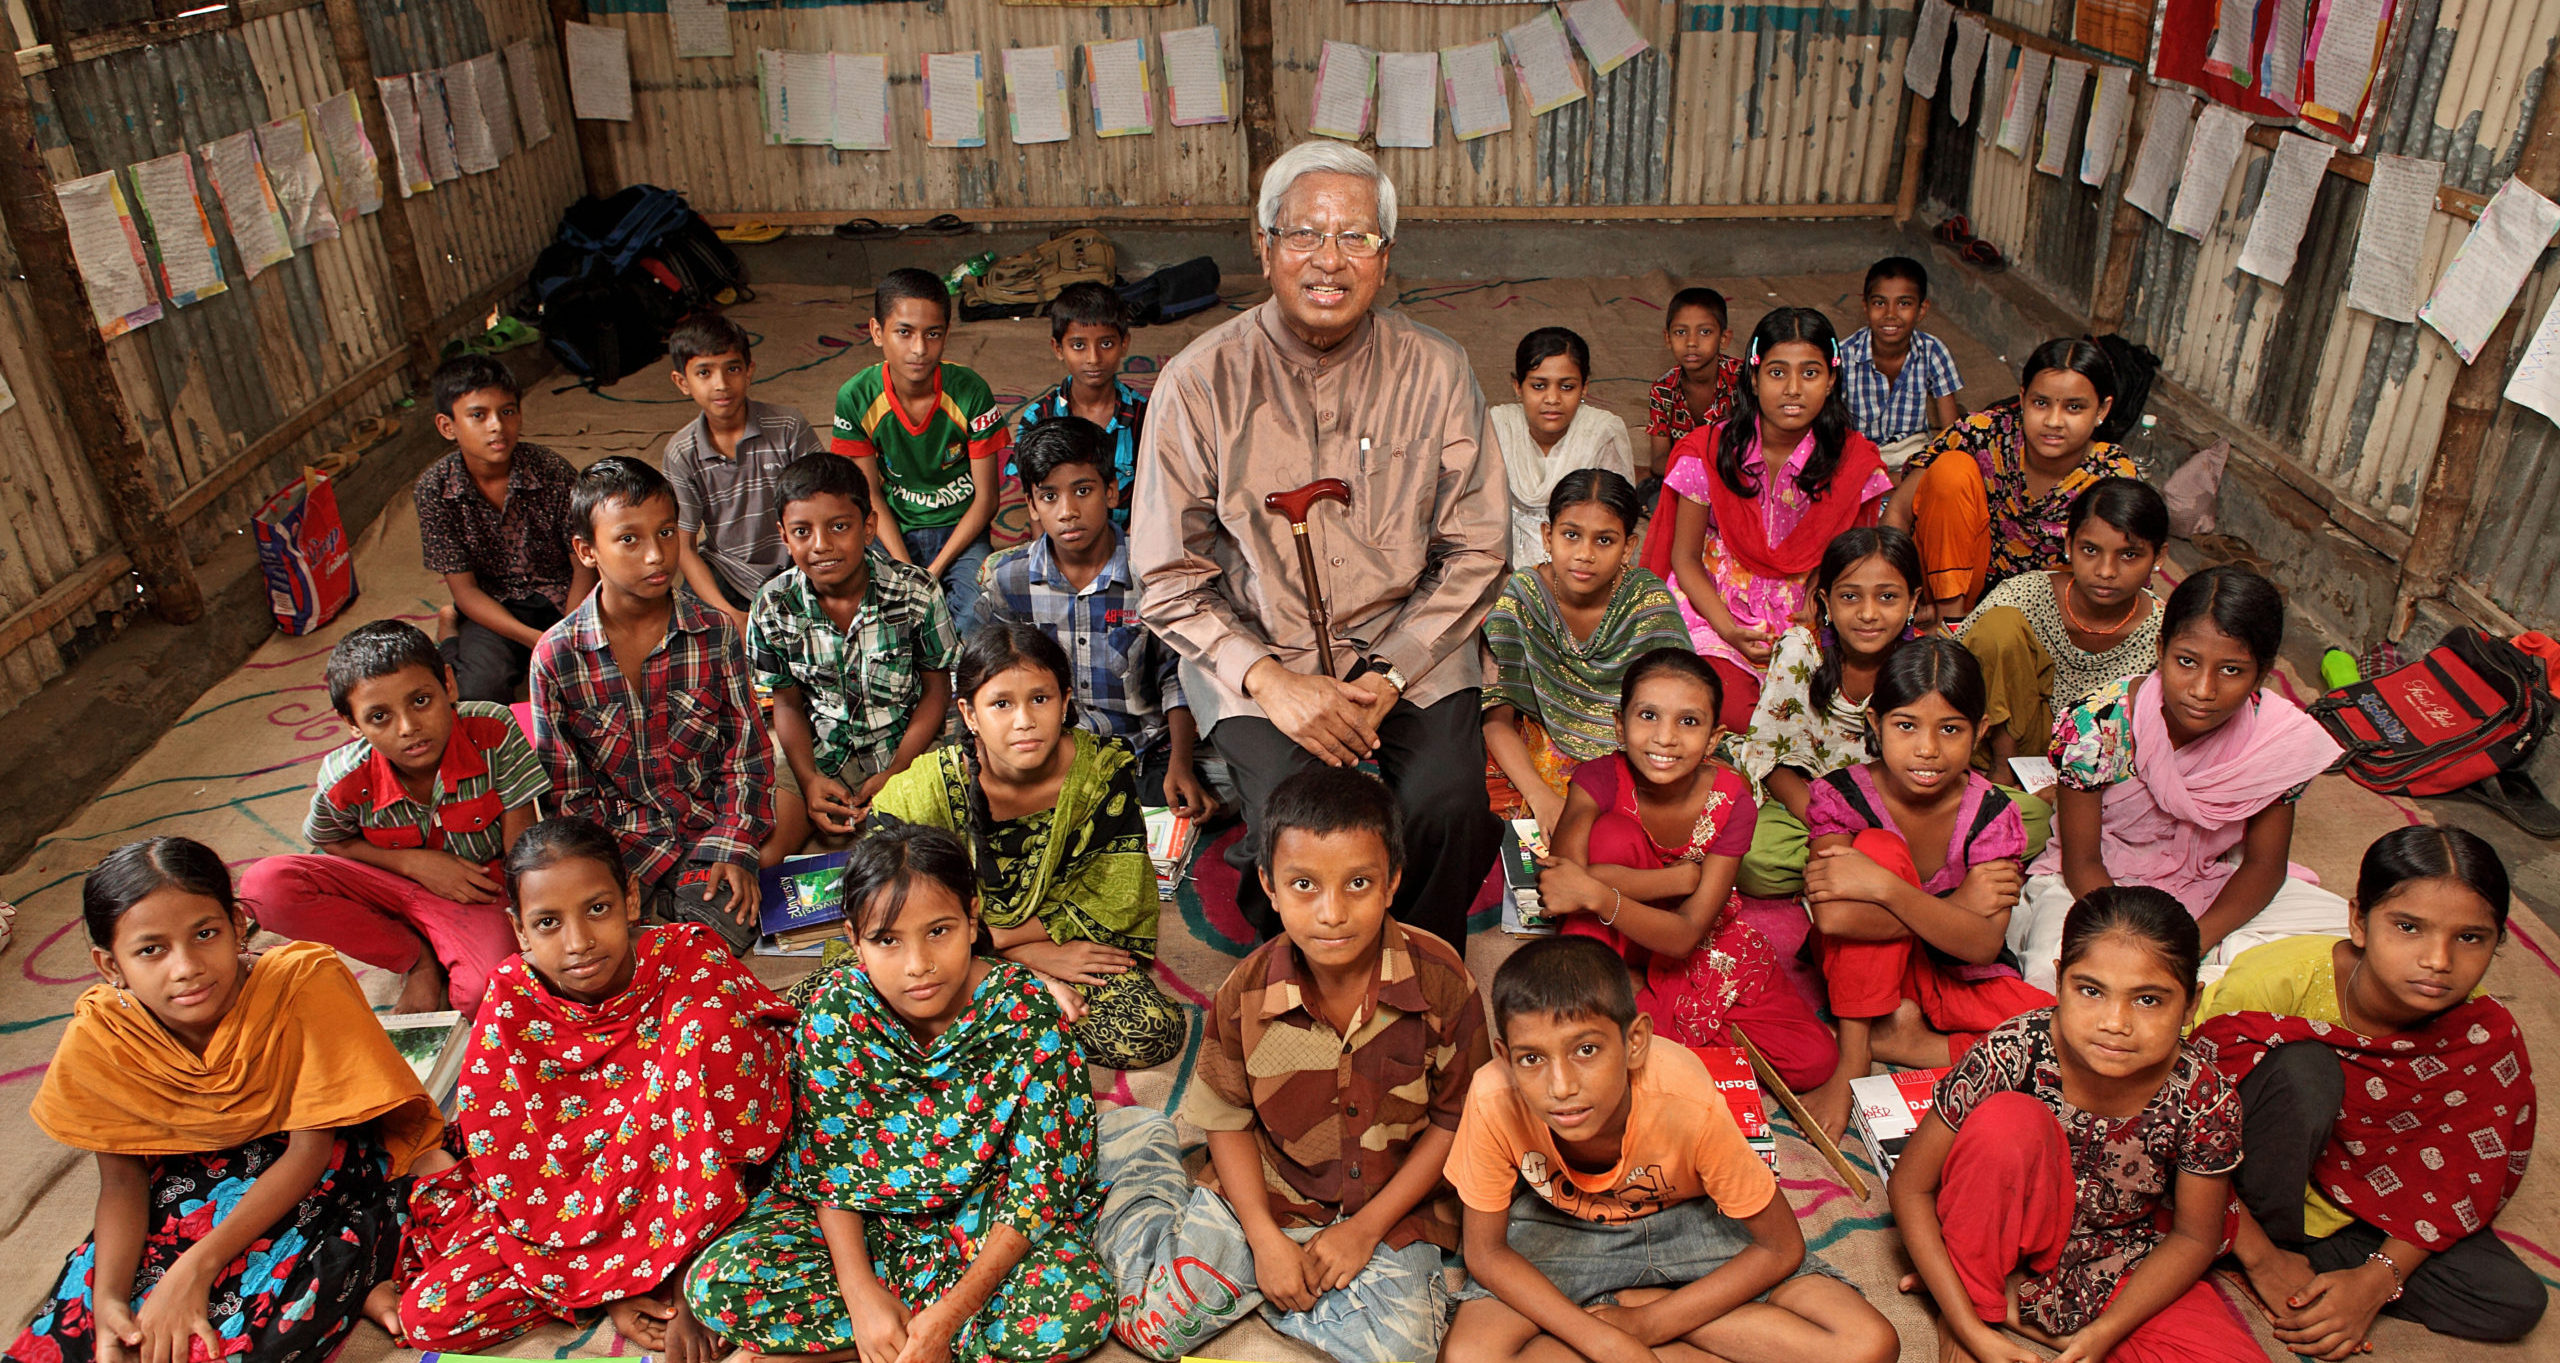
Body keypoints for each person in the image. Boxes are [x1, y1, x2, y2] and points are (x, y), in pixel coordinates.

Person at [1133, 140, 1506, 946]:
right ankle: (1305, 974)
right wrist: (1271, 681)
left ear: (1386, 257)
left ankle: (1418, 966)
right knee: (1297, 829)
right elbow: (1165, 576)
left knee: (1449, 806)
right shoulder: (1199, 383)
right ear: (1263, 248)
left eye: (1356, 238)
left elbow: (1478, 547)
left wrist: (1395, 669)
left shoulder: (1438, 371)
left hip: (1410, 641)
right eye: (1304, 234)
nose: (1328, 261)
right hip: (1261, 647)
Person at [1095, 767, 1487, 1363]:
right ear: (1270, 887)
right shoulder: (1247, 992)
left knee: (1402, 1352)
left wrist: (1364, 1230)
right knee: (1154, 1328)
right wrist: (1263, 1241)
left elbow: (1456, 1121)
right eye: (1304, 885)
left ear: (1392, 883)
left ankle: (1273, 1289)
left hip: (1392, 1205)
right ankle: (1141, 1153)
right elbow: (1227, 1120)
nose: (1332, 913)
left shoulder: (1444, 980)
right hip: (1269, 1190)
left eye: (1358, 883)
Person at [681, 823, 1114, 1362]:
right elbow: (827, 1168)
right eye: (887, 940)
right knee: (718, 1284)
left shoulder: (1027, 1015)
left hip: (980, 1225)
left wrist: (951, 1313)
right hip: (867, 1230)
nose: (918, 966)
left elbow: (1038, 1190)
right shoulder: (839, 1010)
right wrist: (862, 1298)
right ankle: (895, 1342)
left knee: (1076, 1312)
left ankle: (828, 1353)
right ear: (854, 938)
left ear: (973, 918)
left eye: (939, 931)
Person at [11, 838, 442, 1363]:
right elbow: (123, 1182)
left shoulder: (302, 984)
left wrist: (194, 1269)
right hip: (184, 1180)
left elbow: (310, 1153)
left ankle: (362, 1272)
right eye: (151, 950)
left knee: (238, 1339)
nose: (186, 966)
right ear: (109, 965)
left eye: (205, 934)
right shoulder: (105, 1033)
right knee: (79, 1340)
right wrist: (108, 1301)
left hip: (315, 1168)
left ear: (239, 925)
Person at [381, 817, 796, 1362]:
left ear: (629, 899)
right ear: (520, 929)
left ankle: (682, 1276)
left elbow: (738, 1148)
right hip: (570, 1225)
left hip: (703, 1206)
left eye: (596, 908)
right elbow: (515, 1169)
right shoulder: (509, 1001)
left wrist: (689, 1283)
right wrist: (614, 1288)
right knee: (429, 1316)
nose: (578, 943)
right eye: (548, 922)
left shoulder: (695, 975)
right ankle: (627, 1284)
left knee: (772, 1269)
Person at [1441, 936, 1898, 1363]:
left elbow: (1780, 1248)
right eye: (1532, 1059)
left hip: (1689, 1223)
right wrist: (1604, 1340)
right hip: (1563, 1229)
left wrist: (1649, 1323)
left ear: (1634, 1042)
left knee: (1866, 1345)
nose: (1561, 1086)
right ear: (1504, 1058)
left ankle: (1642, 1299)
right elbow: (1487, 1254)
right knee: (1466, 1357)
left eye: (1585, 1050)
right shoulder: (1492, 1096)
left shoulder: (1684, 1097)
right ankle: (1621, 1314)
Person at [2197, 826, 2544, 1353]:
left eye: (2470, 937)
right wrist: (2263, 1260)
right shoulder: (2275, 981)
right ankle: (2254, 1249)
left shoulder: (2482, 1031)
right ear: (2359, 921)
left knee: (2511, 1300)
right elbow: (2178, 1123)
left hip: (2367, 1205)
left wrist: (2376, 1281)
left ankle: (2322, 1272)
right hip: (2249, 1183)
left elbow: (2460, 1169)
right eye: (2408, 927)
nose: (2438, 960)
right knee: (2306, 1073)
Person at [1889, 887, 2259, 1363]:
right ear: (2059, 980)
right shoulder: (2013, 1051)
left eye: (2148, 1000)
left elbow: (2193, 1238)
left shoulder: (2205, 1096)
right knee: (2007, 1123)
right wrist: (1965, 1325)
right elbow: (1910, 1187)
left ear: (2190, 1005)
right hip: (1991, 1227)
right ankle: (1971, 1304)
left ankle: (2010, 1304)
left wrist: (2105, 1332)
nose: (2114, 1022)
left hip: (2121, 1248)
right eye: (2090, 991)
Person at [2010, 565, 2347, 992]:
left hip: (2213, 879)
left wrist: (2195, 940)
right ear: (2160, 648)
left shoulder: (2278, 740)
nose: (2202, 689)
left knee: (2339, 953)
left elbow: (2263, 865)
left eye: (2231, 670)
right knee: (2058, 974)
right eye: (2186, 662)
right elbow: (2082, 861)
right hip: (2100, 885)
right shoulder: (2098, 723)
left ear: (2261, 673)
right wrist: (2135, 939)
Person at [871, 622, 1182, 1070]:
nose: (1024, 721)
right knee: (839, 1000)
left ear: (1065, 702)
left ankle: (982, 1021)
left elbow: (1117, 899)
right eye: (1001, 704)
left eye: (1040, 698)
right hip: (941, 948)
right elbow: (886, 909)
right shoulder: (924, 790)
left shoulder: (1100, 773)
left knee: (1146, 1032)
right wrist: (1015, 959)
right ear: (970, 714)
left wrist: (1010, 942)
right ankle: (1019, 998)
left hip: (1063, 937)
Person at [1534, 648, 1840, 1094]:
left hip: (1692, 943)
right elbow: (1562, 883)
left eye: (1689, 722)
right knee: (1613, 835)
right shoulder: (1598, 778)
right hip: (1607, 946)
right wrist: (1673, 880)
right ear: (1620, 726)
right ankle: (1616, 1007)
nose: (1665, 738)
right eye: (1648, 716)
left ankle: (1656, 1021)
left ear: (1714, 739)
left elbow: (1684, 935)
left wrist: (1597, 890)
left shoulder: (1731, 798)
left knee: (1813, 1060)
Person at [1797, 638, 2052, 1139]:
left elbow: (1981, 945)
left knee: (2053, 1033)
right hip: (1864, 970)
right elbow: (1833, 920)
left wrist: (1885, 890)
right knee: (1879, 847)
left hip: (1955, 968)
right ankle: (1854, 1055)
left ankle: (1906, 1040)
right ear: (1875, 724)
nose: (1928, 749)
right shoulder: (1840, 797)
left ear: (1979, 730)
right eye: (1906, 726)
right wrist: (1957, 906)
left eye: (1951, 729)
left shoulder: (1993, 814)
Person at [531, 456, 776, 956]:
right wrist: (615, 880)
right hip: (623, 847)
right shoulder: (556, 658)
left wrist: (733, 843)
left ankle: (694, 900)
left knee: (722, 931)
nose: (655, 556)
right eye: (629, 539)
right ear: (586, 551)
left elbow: (747, 756)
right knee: (594, 952)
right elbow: (570, 796)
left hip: (707, 827)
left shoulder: (713, 632)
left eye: (666, 533)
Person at [237, 620, 542, 1015]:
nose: (408, 727)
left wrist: (533, 923)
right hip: (389, 888)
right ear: (351, 724)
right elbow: (333, 841)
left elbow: (522, 845)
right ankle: (417, 959)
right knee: (265, 887)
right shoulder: (343, 778)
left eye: (420, 701)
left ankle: (443, 941)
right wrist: (414, 863)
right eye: (379, 717)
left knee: (485, 994)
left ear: (448, 684)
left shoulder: (493, 730)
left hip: (476, 889)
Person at [1644, 306, 1892, 735]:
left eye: (1810, 373)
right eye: (1778, 373)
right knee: (1726, 704)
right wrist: (1728, 628)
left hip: (1811, 615)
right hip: (1716, 609)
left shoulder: (1855, 464)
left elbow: (1852, 568)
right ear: (1753, 378)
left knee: (1878, 700)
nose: (1793, 390)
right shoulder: (1707, 452)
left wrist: (1817, 610)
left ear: (1832, 380)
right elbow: (1683, 559)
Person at [982, 418, 1221, 819]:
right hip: (1049, 752)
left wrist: (1180, 762)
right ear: (1031, 505)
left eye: (1083, 491)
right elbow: (989, 677)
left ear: (1111, 491)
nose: (1068, 511)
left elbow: (1175, 675)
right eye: (1049, 497)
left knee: (1221, 789)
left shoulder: (1149, 573)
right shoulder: (1010, 581)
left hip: (1142, 750)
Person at [748, 452, 957, 854]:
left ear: (869, 527)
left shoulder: (915, 592)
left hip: (907, 749)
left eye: (839, 527)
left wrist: (897, 771)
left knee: (913, 856)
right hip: (817, 752)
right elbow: (787, 703)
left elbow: (936, 690)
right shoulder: (773, 604)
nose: (822, 545)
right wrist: (809, 779)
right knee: (765, 856)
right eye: (802, 531)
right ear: (783, 536)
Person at [1481, 469, 1688, 831]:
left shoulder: (1647, 602)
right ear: (1548, 536)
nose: (1585, 554)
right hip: (1541, 753)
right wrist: (1542, 799)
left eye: (1604, 541)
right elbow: (1496, 720)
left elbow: (1678, 708)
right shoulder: (1523, 597)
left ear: (1629, 546)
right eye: (1571, 535)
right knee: (1475, 804)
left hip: (1633, 756)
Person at [1885, 338, 2138, 623]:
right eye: (2041, 403)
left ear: (2101, 411)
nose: (2054, 421)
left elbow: (2120, 575)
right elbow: (1896, 512)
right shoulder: (1981, 434)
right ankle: (1948, 629)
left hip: (2037, 620)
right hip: (1947, 590)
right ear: (2023, 398)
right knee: (1951, 471)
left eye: (2074, 408)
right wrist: (1894, 594)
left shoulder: (2112, 476)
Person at [1732, 525, 1923, 899]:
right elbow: (1772, 763)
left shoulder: (1924, 663)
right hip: (1813, 804)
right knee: (1755, 860)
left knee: (2026, 820)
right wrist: (1830, 825)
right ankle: (1875, 868)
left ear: (1913, 602)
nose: (1868, 614)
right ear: (1827, 602)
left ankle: (1862, 866)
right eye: (1850, 596)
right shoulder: (1801, 651)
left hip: (1897, 807)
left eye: (1887, 597)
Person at [831, 267, 1010, 633]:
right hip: (891, 530)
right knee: (870, 619)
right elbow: (870, 498)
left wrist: (934, 571)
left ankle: (958, 687)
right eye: (904, 332)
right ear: (877, 332)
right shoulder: (857, 397)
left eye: (932, 334)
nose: (919, 349)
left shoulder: (969, 390)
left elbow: (987, 500)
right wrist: (904, 569)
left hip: (961, 532)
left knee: (982, 614)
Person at [414, 354, 592, 703]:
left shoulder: (551, 471)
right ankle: (450, 632)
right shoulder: (434, 490)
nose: (497, 425)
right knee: (478, 692)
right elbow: (466, 591)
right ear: (447, 426)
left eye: (507, 411)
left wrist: (567, 630)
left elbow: (584, 563)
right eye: (478, 415)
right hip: (492, 606)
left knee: (603, 674)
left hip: (566, 596)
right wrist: (533, 638)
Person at [1959, 476, 2168, 768]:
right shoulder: (2024, 596)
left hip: (2104, 769)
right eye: (2091, 550)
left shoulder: (2165, 632)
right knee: (1999, 627)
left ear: (2159, 556)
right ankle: (2001, 774)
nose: (2106, 571)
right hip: (2003, 749)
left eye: (2129, 555)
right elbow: (1951, 667)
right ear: (2069, 543)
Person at [661, 312, 827, 635]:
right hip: (727, 572)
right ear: (682, 382)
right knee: (688, 634)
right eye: (704, 373)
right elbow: (684, 546)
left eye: (732, 369)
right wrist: (729, 614)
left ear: (749, 372)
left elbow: (825, 506)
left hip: (796, 563)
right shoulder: (681, 453)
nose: (721, 384)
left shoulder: (787, 428)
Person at [1491, 326, 1633, 565]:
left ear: (1584, 386)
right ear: (1517, 386)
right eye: (1539, 386)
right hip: (1500, 552)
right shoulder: (1498, 426)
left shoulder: (1601, 432)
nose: (1552, 399)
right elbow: (1475, 509)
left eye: (1567, 387)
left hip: (1581, 558)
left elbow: (1613, 517)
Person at [1015, 280, 1147, 526]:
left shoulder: (1145, 416)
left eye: (1106, 344)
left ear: (1124, 344)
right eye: (1078, 345)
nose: (1094, 358)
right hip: (1061, 544)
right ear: (1057, 348)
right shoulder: (1038, 418)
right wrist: (1045, 560)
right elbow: (1034, 501)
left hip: (1129, 542)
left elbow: (1155, 499)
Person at [1839, 256, 1962, 465]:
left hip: (1912, 452)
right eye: (1880, 303)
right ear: (1866, 307)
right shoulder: (1845, 355)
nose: (1890, 314)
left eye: (1904, 303)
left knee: (1951, 467)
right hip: (1858, 453)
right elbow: (1827, 425)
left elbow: (1951, 430)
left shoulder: (1933, 351)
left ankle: (1891, 487)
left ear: (1922, 309)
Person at [1644, 285, 1745, 477]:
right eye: (1681, 332)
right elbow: (1659, 460)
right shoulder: (1663, 389)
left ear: (1724, 338)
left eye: (1705, 332)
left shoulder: (1744, 381)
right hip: (1685, 478)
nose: (1691, 342)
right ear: (1667, 338)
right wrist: (1695, 475)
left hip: (1735, 476)